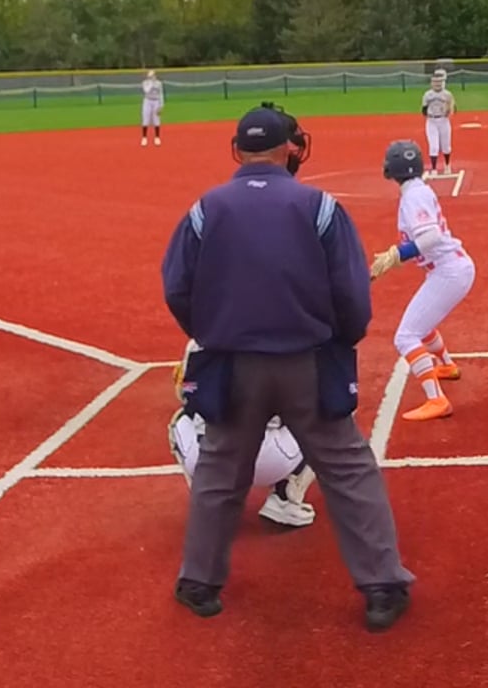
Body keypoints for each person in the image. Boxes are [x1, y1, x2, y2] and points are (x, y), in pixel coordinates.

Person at [161, 102, 413, 630]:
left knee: (219, 471)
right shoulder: (319, 206)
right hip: (307, 361)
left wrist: (210, 332)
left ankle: (199, 581)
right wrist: (340, 339)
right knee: (347, 467)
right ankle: (382, 586)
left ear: (238, 150)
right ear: (289, 148)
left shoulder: (207, 208)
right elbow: (352, 293)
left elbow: (177, 286)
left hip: (231, 364)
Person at [370, 140, 470, 422]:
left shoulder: (413, 196)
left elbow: (431, 237)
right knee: (421, 324)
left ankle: (437, 400)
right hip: (449, 269)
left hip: (449, 271)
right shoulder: (417, 191)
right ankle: (446, 365)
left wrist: (396, 255)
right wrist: (393, 258)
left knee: (405, 336)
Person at [167, 343, 317, 529]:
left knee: (181, 419)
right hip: (272, 458)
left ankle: (212, 502)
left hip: (209, 457)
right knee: (330, 414)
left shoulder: (202, 339)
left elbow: (185, 394)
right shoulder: (297, 336)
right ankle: (286, 497)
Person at [421, 70, 456, 173]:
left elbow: (453, 109)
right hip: (432, 121)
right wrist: (428, 114)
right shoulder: (427, 95)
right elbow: (424, 110)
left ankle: (447, 165)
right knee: (434, 146)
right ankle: (434, 168)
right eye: (435, 82)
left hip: (444, 121)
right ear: (431, 83)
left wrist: (449, 110)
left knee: (446, 146)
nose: (437, 84)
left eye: (439, 82)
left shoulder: (447, 94)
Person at [140, 69, 164, 147]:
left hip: (156, 101)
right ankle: (144, 138)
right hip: (147, 101)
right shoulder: (145, 83)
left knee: (156, 119)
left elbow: (161, 94)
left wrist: (161, 106)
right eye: (151, 76)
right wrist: (151, 83)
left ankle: (157, 137)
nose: (153, 77)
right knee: (145, 118)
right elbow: (146, 91)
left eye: (154, 75)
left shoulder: (159, 83)